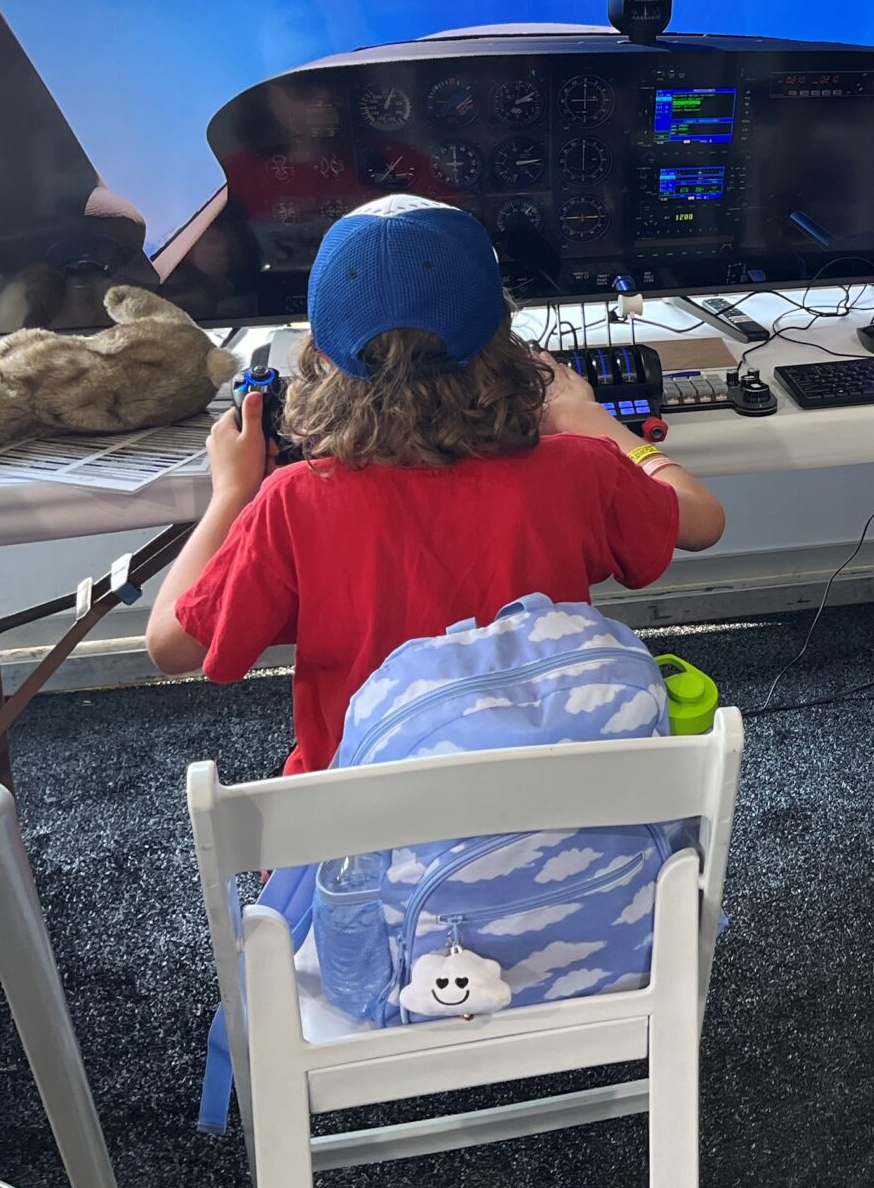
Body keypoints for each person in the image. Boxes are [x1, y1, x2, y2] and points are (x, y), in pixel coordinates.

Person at [144, 196, 725, 774]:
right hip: (548, 808)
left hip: (361, 831)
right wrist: (590, 420)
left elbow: (171, 647)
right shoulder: (578, 468)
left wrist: (230, 493)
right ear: (504, 336)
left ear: (321, 354)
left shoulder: (293, 501)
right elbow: (703, 520)